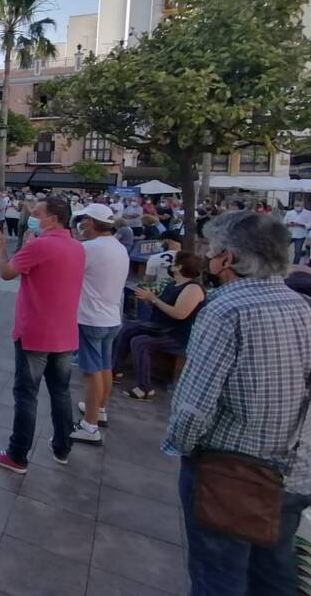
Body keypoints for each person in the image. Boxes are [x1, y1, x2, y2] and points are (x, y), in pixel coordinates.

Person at [163, 212, 311, 595]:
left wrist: (181, 446)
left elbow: (195, 404)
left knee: (219, 575)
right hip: (291, 468)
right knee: (272, 576)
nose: (209, 258)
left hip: (229, 470)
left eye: (213, 252)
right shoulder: (301, 307)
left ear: (227, 259)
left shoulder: (226, 309)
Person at [0, 196, 86, 472]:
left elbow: (7, 272)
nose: (32, 215)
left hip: (36, 333)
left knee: (27, 394)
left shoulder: (41, 245)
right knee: (60, 392)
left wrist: (1, 247)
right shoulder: (77, 247)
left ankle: (17, 454)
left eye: (37, 213)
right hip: (64, 333)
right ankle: (62, 446)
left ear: (52, 219)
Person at [70, 204, 129, 445]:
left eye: (83, 221)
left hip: (91, 317)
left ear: (92, 223)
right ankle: (100, 408)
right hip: (111, 317)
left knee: (91, 371)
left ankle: (90, 425)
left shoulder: (90, 249)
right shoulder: (119, 247)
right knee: (105, 366)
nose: (80, 225)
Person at [116, 252, 206, 400]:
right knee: (127, 331)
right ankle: (116, 369)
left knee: (139, 343)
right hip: (159, 327)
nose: (171, 264)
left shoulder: (193, 289)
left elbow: (179, 314)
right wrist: (149, 300)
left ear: (180, 266)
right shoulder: (173, 283)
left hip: (175, 334)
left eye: (174, 262)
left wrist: (154, 299)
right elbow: (161, 307)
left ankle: (144, 388)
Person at [284, 200, 311, 264]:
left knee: (297, 252)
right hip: (289, 234)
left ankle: (295, 266)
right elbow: (284, 222)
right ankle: (284, 263)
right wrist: (289, 224)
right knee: (283, 249)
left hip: (300, 235)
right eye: (296, 205)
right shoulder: (289, 212)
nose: (297, 207)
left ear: (303, 205)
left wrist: (301, 225)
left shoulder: (308, 213)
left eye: (299, 205)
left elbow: (309, 224)